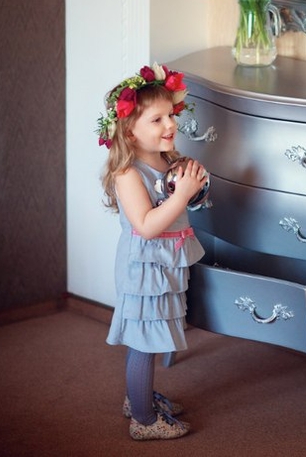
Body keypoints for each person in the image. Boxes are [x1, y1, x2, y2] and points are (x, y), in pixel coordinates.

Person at [97, 62, 207, 441]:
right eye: (157, 120)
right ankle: (143, 420)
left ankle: (138, 398)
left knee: (151, 336)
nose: (170, 125)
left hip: (164, 265)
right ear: (130, 131)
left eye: (171, 115)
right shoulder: (128, 172)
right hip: (144, 270)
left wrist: (193, 186)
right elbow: (146, 225)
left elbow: (178, 202)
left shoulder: (166, 160)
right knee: (144, 343)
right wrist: (181, 196)